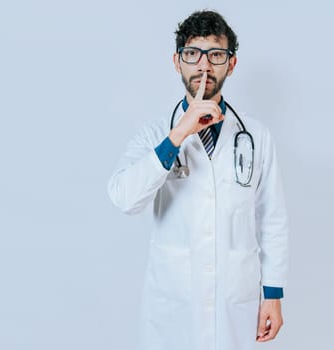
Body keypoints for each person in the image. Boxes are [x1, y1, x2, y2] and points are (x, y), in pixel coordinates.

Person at [107, 10, 289, 350]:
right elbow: (124, 198)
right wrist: (178, 136)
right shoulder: (155, 134)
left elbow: (272, 219)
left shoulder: (256, 136)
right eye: (193, 54)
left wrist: (273, 293)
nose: (204, 66)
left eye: (216, 55)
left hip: (234, 299)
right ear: (177, 62)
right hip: (175, 302)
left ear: (231, 65)